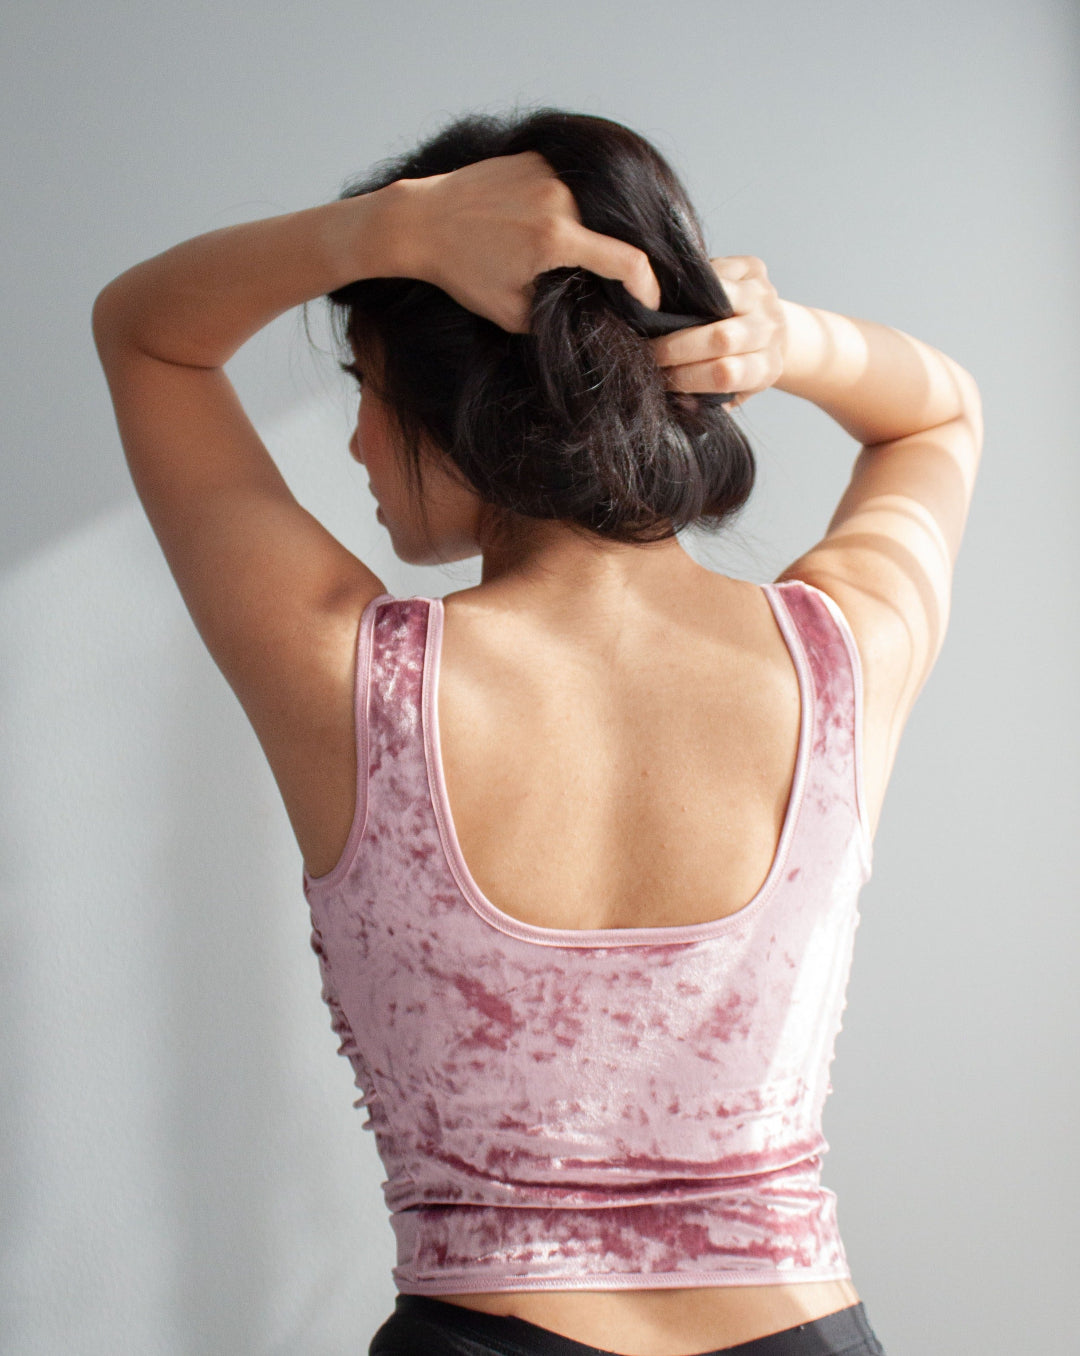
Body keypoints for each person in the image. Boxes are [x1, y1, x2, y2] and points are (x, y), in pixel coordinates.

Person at [92, 107, 981, 1356]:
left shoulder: (354, 678)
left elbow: (146, 334)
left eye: (367, 385)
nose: (353, 439)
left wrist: (384, 234)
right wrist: (786, 342)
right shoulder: (843, 656)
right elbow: (937, 415)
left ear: (456, 398)